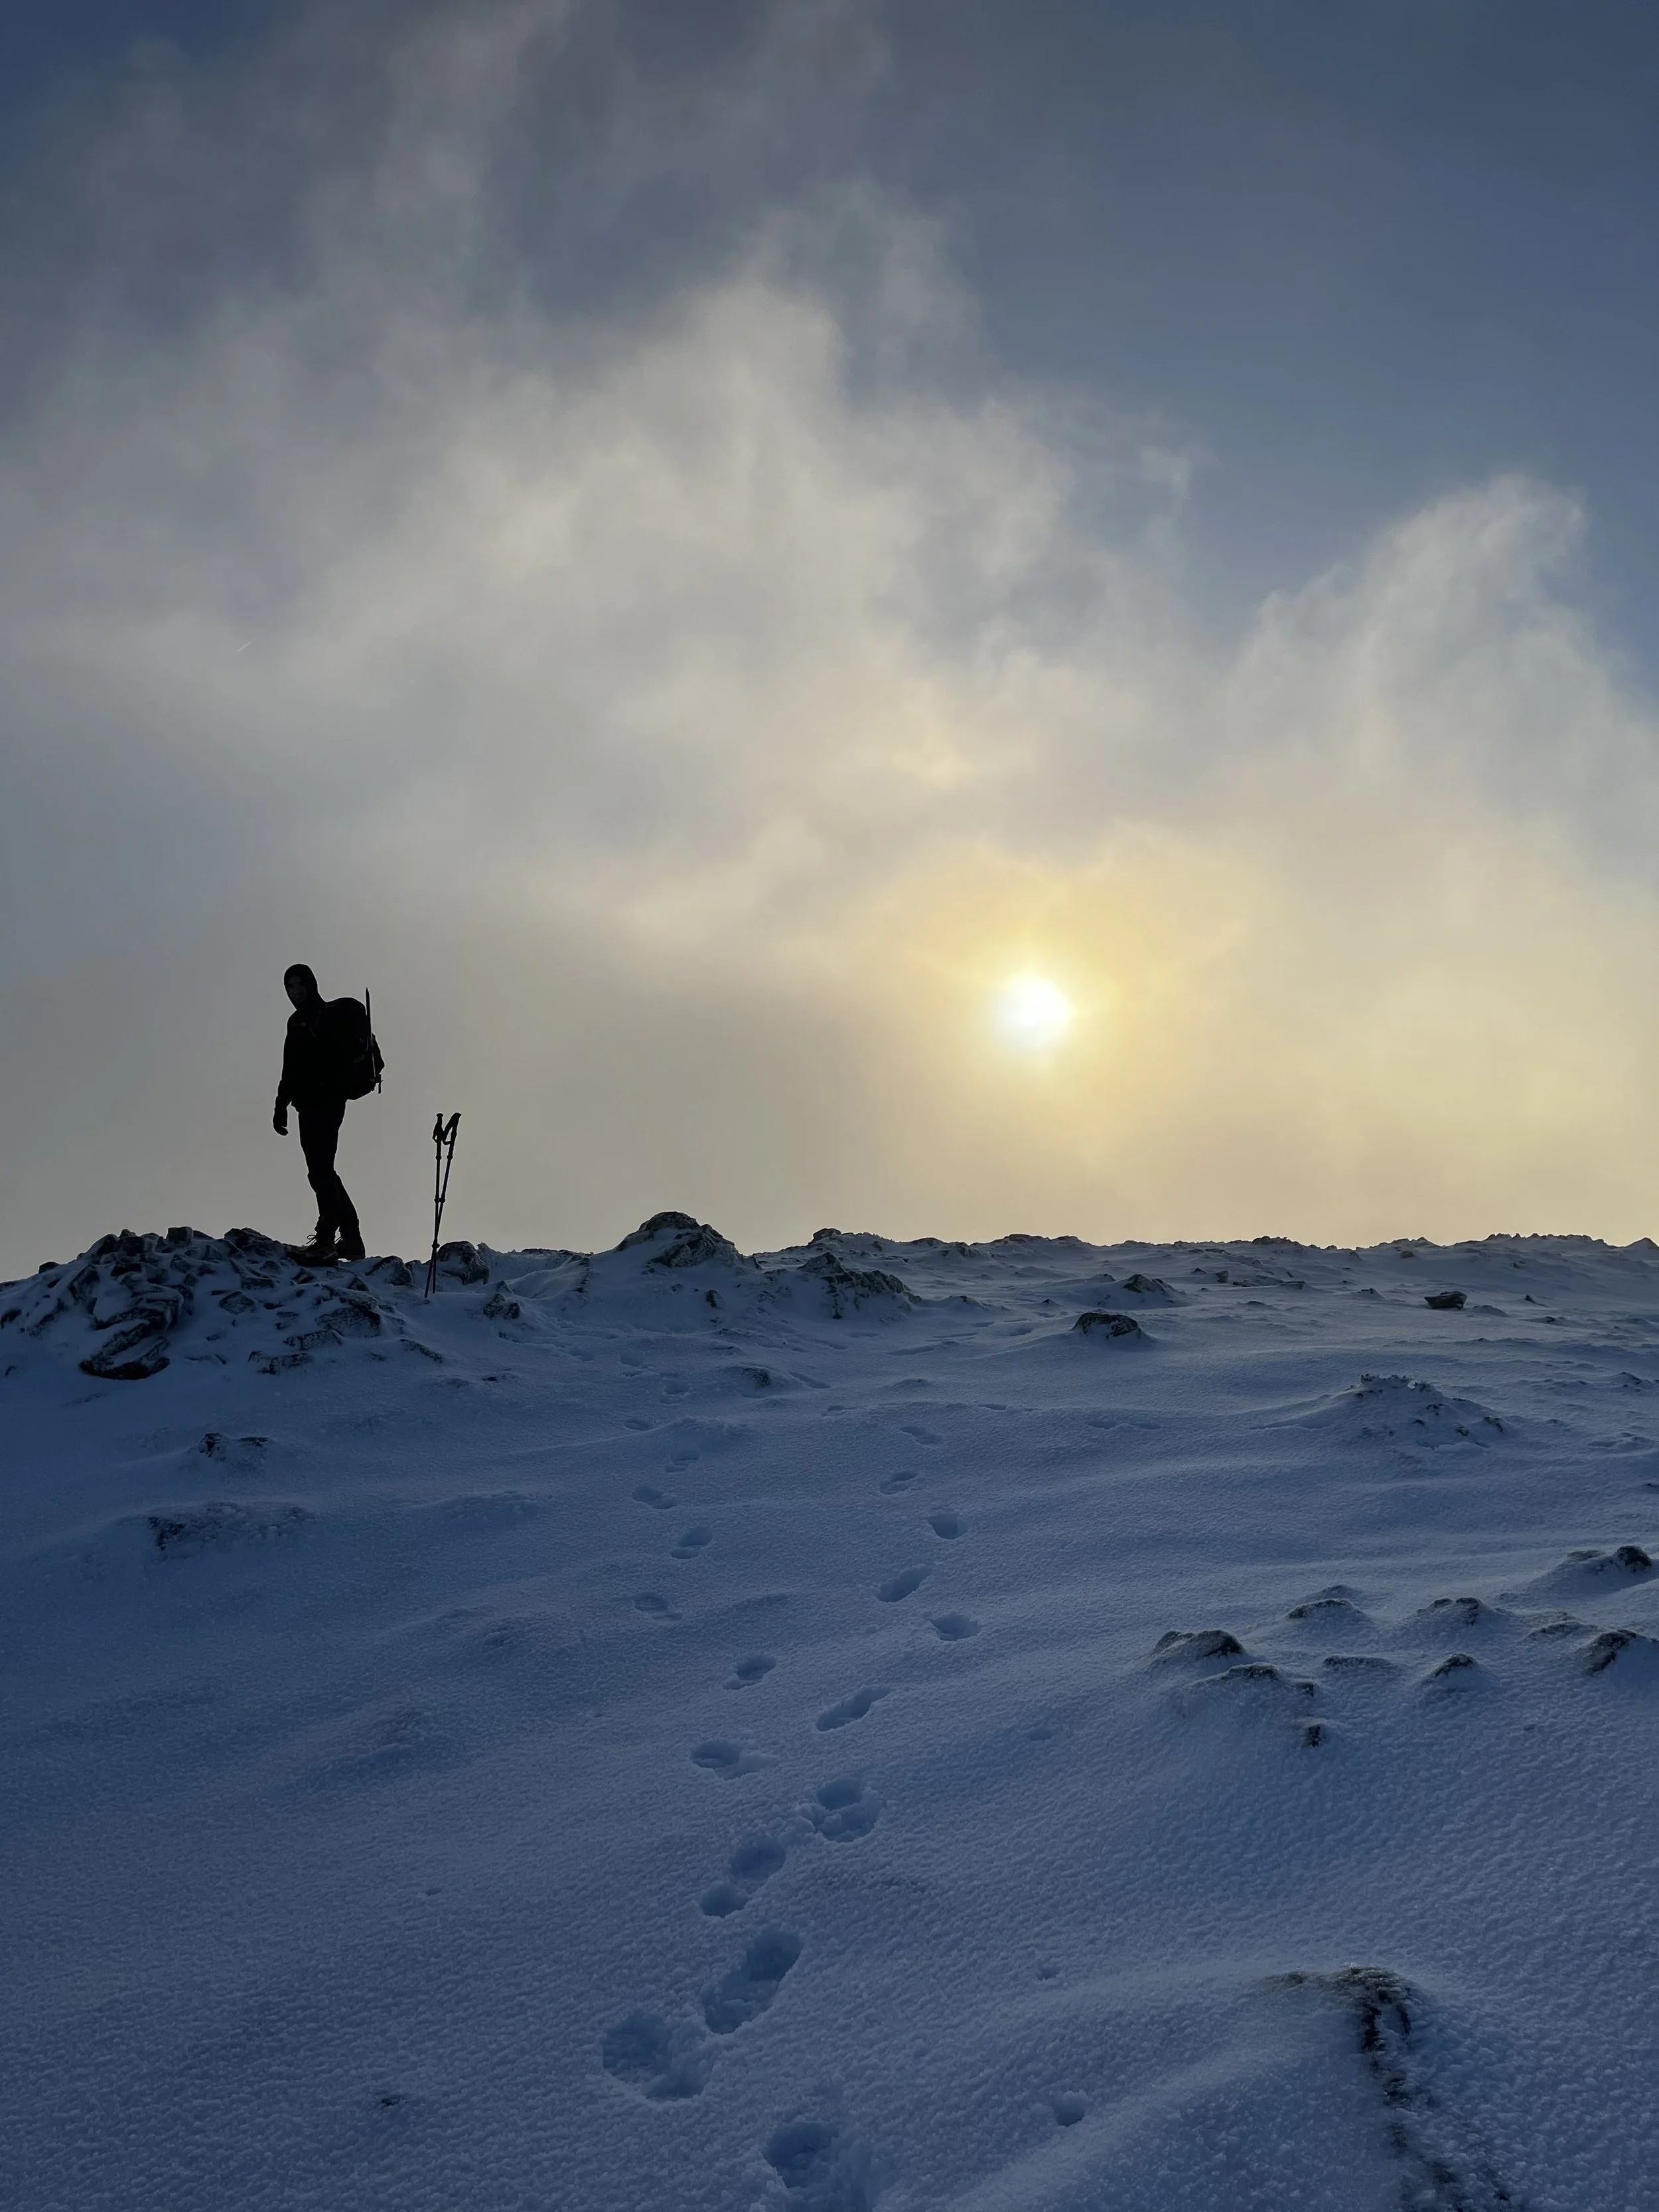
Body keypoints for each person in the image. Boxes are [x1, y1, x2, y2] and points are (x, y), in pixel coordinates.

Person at [273, 964, 370, 1264]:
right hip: (308, 1105)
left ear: (312, 985)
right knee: (323, 1171)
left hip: (326, 1103)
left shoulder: (325, 1017)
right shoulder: (296, 1022)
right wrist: (281, 1105)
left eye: (300, 984)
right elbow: (290, 1067)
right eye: (290, 986)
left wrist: (318, 1090)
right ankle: (351, 1240)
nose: (295, 991)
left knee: (320, 1171)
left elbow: (328, 1062)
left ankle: (327, 1239)